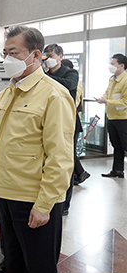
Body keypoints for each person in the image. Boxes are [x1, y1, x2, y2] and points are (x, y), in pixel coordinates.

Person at [0, 26, 75, 273]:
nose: (7, 58)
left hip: (34, 200)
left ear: (36, 55)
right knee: (15, 266)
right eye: (4, 53)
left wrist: (45, 204)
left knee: (40, 272)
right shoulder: (8, 92)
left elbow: (60, 157)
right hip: (7, 195)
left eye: (14, 53)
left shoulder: (53, 96)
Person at [42, 44, 81, 215]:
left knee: (66, 163)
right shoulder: (45, 75)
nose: (48, 59)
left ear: (59, 56)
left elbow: (69, 85)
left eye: (50, 55)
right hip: (49, 122)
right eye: (46, 56)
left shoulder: (69, 73)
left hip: (68, 123)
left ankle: (65, 204)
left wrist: (44, 78)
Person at [97, 53, 127, 178]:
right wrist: (103, 98)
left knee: (125, 144)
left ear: (121, 65)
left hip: (123, 118)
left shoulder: (125, 80)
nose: (111, 66)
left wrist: (107, 101)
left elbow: (125, 102)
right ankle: (117, 170)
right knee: (116, 145)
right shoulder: (112, 78)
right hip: (111, 116)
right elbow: (108, 93)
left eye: (113, 64)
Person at [61, 58, 90, 185]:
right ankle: (80, 173)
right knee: (69, 151)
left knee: (69, 151)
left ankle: (79, 173)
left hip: (72, 118)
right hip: (67, 118)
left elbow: (75, 101)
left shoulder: (73, 81)